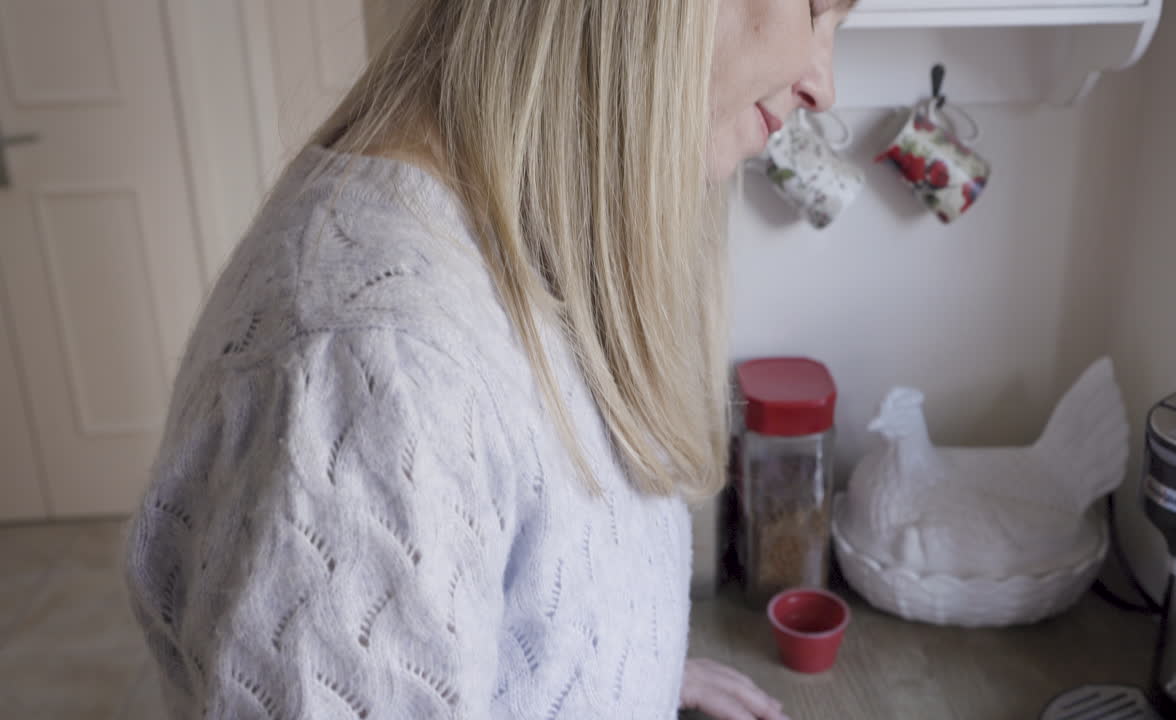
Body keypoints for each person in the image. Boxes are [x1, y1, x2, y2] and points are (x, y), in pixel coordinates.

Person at [124, 1, 853, 717]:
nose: (823, 85)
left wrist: (618, 668)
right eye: (819, 8)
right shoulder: (379, 365)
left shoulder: (524, 238)